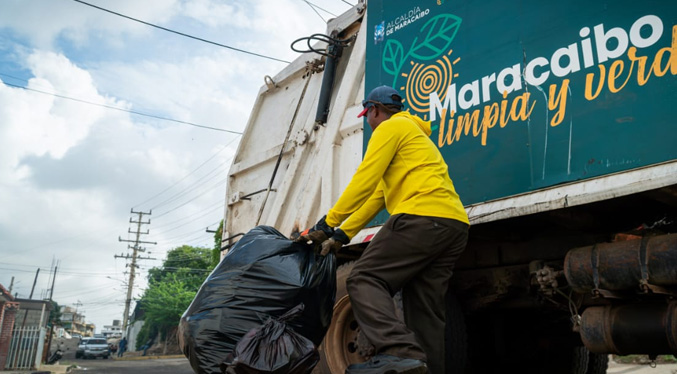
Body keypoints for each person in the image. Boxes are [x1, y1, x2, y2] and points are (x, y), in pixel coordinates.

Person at [297, 86, 469, 374]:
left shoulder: (390, 128)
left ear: (374, 110)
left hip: (421, 218)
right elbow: (377, 195)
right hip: (453, 225)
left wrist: (328, 223)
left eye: (368, 115)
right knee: (424, 310)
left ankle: (398, 352)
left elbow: (365, 178)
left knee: (365, 278)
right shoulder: (412, 133)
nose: (368, 121)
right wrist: (342, 235)